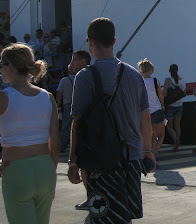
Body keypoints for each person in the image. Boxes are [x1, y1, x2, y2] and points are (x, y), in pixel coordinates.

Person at [67, 17, 154, 223]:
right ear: (114, 41)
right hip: (132, 158)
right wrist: (147, 151)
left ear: (90, 42)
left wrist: (73, 161)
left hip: (101, 161)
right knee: (126, 215)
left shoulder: (85, 77)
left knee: (103, 216)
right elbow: (145, 117)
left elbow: (77, 123)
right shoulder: (135, 75)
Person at [0, 43, 59, 224]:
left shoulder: (4, 97)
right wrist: (51, 169)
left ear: (10, 66)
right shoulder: (47, 96)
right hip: (45, 169)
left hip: (16, 169)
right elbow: (54, 140)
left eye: (2, 64)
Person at [57, 50, 91, 153]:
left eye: (74, 60)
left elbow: (59, 94)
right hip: (80, 107)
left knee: (66, 127)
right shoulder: (85, 77)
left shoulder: (66, 80)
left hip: (69, 105)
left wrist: (58, 106)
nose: (72, 64)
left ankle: (62, 147)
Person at [138, 59, 165, 159]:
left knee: (151, 136)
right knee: (161, 135)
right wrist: (163, 106)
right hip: (156, 110)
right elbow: (160, 96)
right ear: (151, 70)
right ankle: (152, 156)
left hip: (145, 111)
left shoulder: (139, 81)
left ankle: (146, 155)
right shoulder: (155, 81)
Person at [163, 64, 186, 152]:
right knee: (177, 125)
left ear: (169, 71)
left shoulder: (168, 80)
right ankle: (177, 141)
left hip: (170, 106)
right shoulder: (182, 80)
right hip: (179, 105)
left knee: (169, 126)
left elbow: (165, 94)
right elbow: (184, 92)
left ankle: (175, 140)